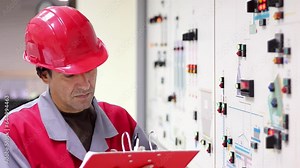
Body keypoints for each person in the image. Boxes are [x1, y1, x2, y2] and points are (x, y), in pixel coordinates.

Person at [0, 6, 155, 168]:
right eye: (70, 75)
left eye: (90, 70)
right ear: (44, 75)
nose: (86, 84)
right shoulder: (14, 132)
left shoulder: (121, 121)